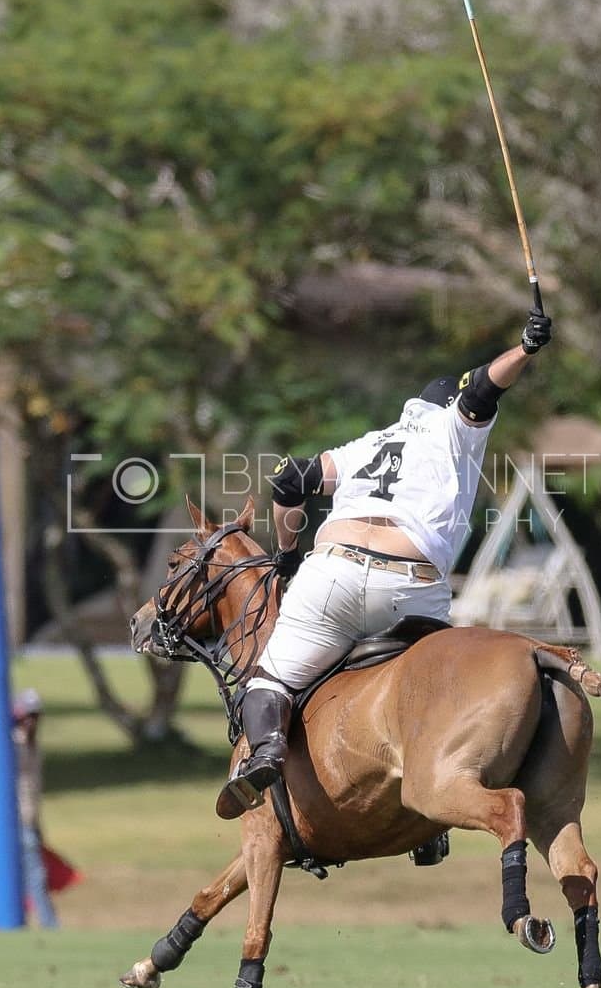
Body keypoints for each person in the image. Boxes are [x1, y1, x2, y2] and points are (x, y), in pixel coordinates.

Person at [216, 306, 553, 824]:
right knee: (438, 700)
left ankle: (265, 753)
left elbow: (289, 481)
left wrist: (285, 553)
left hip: (331, 575)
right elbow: (484, 389)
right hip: (410, 586)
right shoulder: (452, 430)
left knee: (270, 680)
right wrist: (525, 349)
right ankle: (429, 823)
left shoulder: (370, 444)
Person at [0, 688, 60, 927]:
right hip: (12, 820)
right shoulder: (9, 744)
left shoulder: (33, 745)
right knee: (35, 876)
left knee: (10, 876)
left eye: (36, 716)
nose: (32, 721)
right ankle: (50, 925)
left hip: (30, 819)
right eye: (28, 716)